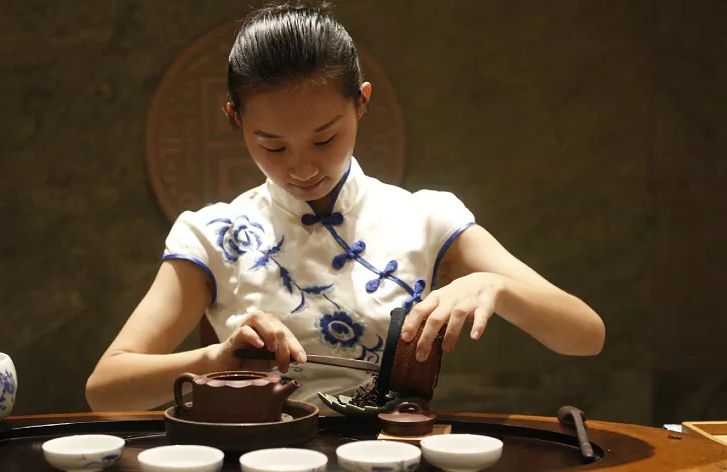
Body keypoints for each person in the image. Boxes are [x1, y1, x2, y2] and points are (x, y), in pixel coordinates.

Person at [85, 1, 605, 412]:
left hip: (392, 467)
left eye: (325, 138)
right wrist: (217, 360)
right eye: (273, 146)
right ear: (235, 119)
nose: (302, 167)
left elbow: (585, 335)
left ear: (362, 102)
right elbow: (105, 389)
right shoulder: (212, 233)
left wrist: (494, 285)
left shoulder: (426, 218)